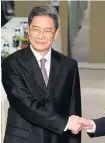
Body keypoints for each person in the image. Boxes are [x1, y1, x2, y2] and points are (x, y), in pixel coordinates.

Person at [2, 4, 82, 143]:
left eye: (47, 31)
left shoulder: (69, 66)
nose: (40, 36)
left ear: (56, 33)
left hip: (57, 139)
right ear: (29, 31)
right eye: (36, 29)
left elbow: (73, 111)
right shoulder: (12, 63)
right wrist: (64, 123)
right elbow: (25, 104)